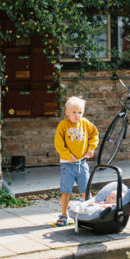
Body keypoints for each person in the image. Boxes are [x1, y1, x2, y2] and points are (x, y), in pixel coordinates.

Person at [53, 96, 99, 227]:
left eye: (80, 112)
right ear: (67, 112)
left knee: (86, 189)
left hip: (82, 163)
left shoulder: (85, 123)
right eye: (74, 112)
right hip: (67, 164)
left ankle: (89, 213)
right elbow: (58, 143)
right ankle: (63, 214)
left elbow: (94, 134)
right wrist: (67, 155)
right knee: (66, 190)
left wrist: (91, 148)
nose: (77, 115)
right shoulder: (63, 125)